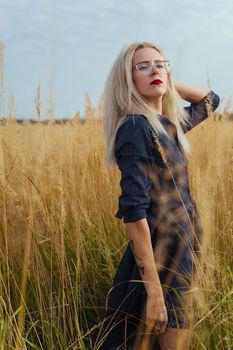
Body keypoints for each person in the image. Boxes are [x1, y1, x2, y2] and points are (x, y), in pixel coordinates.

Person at [101, 41, 220, 350]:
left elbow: (210, 100)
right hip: (162, 257)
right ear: (127, 80)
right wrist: (155, 294)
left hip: (182, 249)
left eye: (160, 63)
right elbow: (134, 212)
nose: (154, 68)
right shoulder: (136, 128)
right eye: (142, 66)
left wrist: (165, 80)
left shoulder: (168, 124)